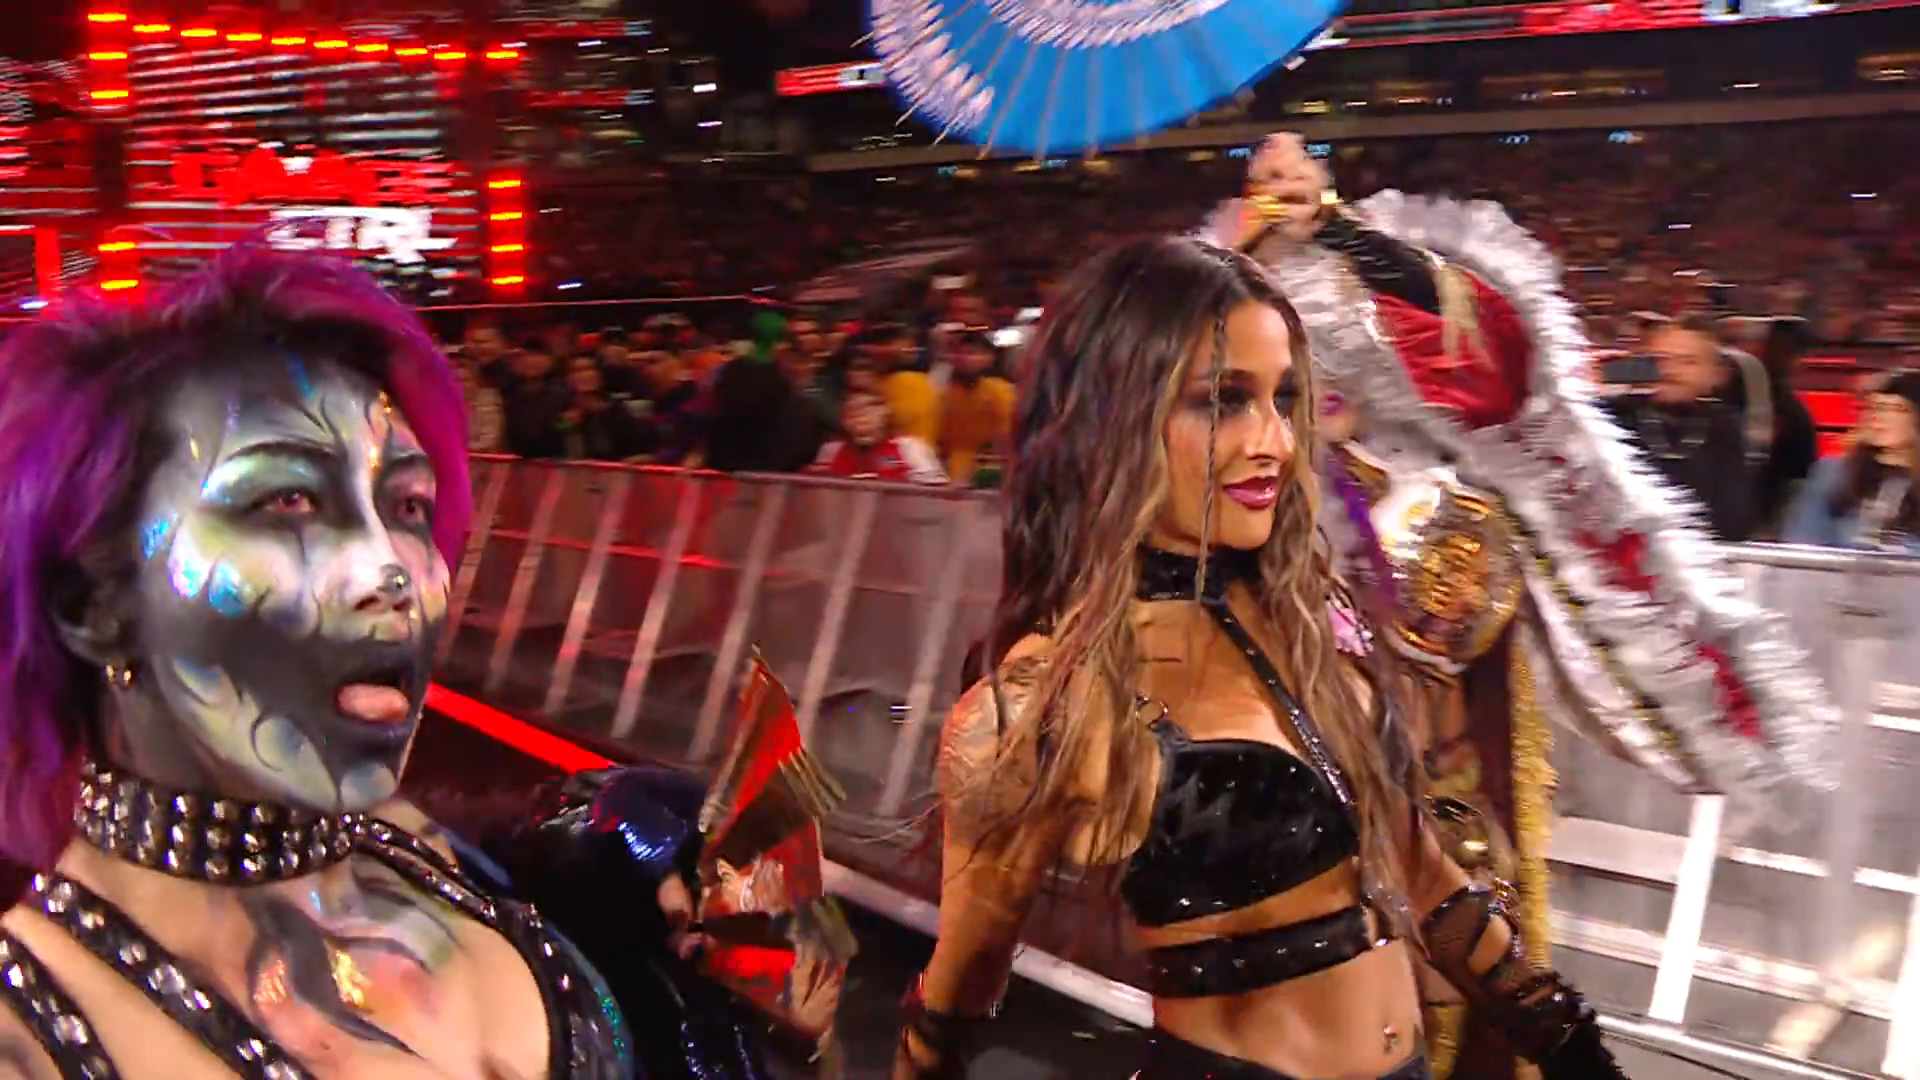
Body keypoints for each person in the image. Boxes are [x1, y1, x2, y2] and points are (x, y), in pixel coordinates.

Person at [0, 245, 788, 1080]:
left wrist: (612, 863)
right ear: (91, 606)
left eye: (407, 506)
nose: (391, 570)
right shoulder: (33, 1034)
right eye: (288, 500)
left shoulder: (438, 855)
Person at [893, 235, 1629, 1080]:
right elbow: (961, 982)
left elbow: (1422, 874)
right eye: (1223, 401)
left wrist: (1571, 1047)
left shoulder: (1303, 619)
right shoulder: (1039, 700)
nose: (1274, 441)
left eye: (1284, 398)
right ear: (1112, 418)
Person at [1212, 134, 1835, 1080]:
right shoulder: (1229, 513)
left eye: (1310, 374)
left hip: (1411, 861)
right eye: (1264, 386)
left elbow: (1487, 347)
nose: (1295, 406)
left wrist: (1333, 229)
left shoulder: (1434, 516)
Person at [1783, 369, 1920, 552]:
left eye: (1898, 409)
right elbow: (1801, 545)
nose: (1880, 417)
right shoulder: (1832, 473)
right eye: (1876, 406)